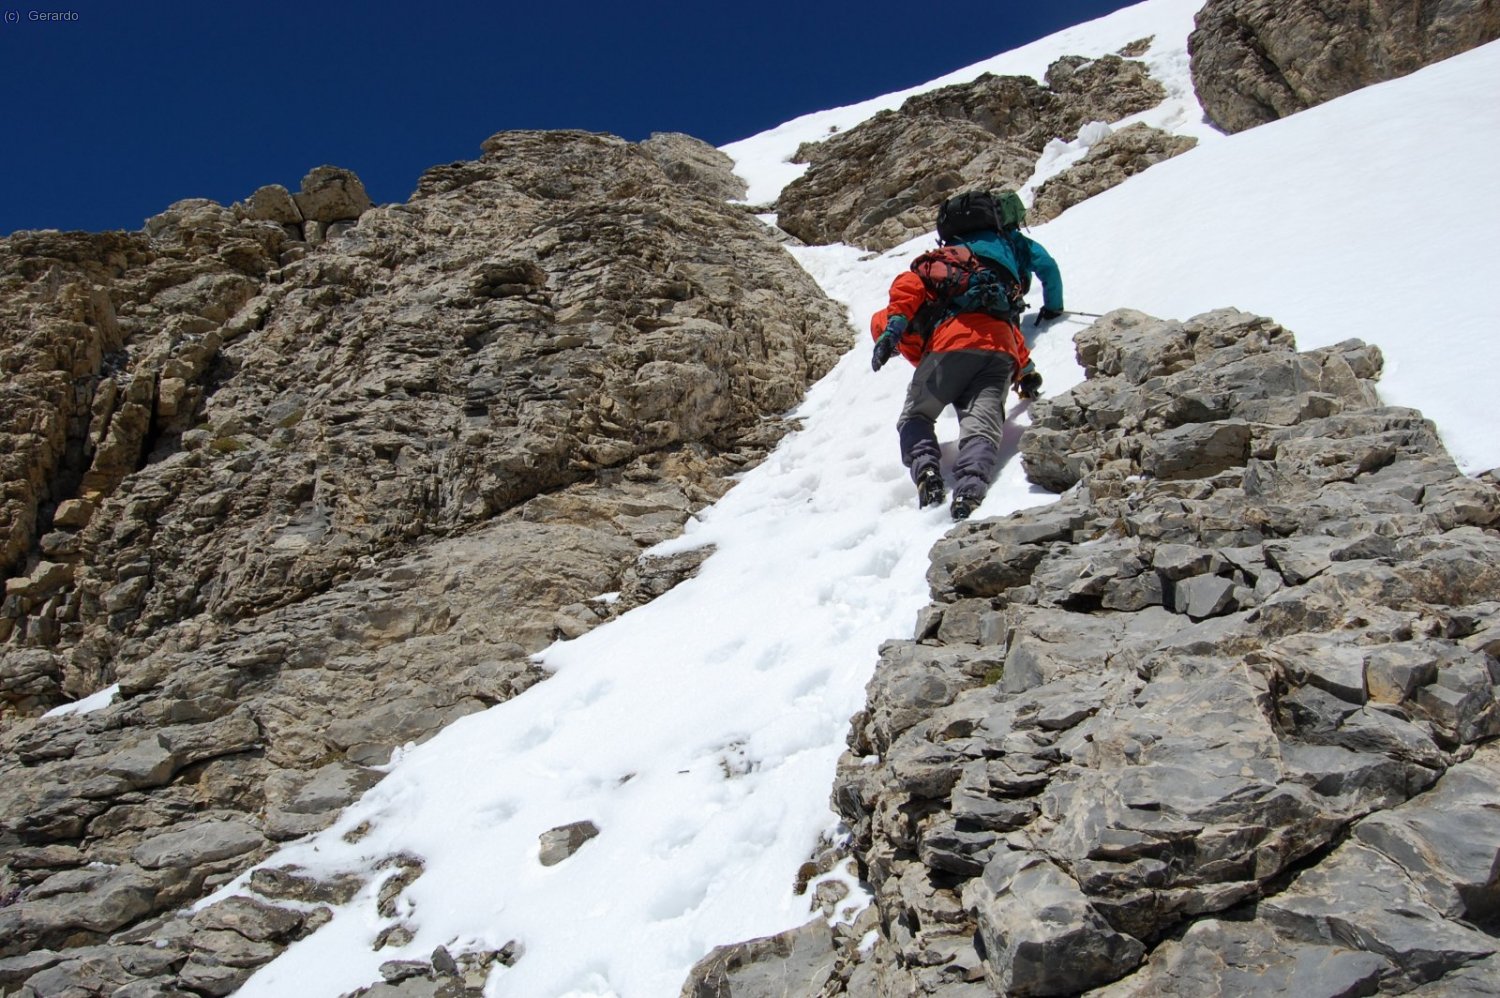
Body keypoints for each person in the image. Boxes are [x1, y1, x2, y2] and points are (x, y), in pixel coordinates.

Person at [870, 190, 1063, 520]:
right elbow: (1005, 327)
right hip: (1001, 353)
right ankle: (969, 492)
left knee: (916, 417)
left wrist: (893, 330)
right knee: (982, 427)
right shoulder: (991, 288)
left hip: (950, 346)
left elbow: (908, 287)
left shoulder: (938, 267)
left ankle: (927, 472)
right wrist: (1026, 371)